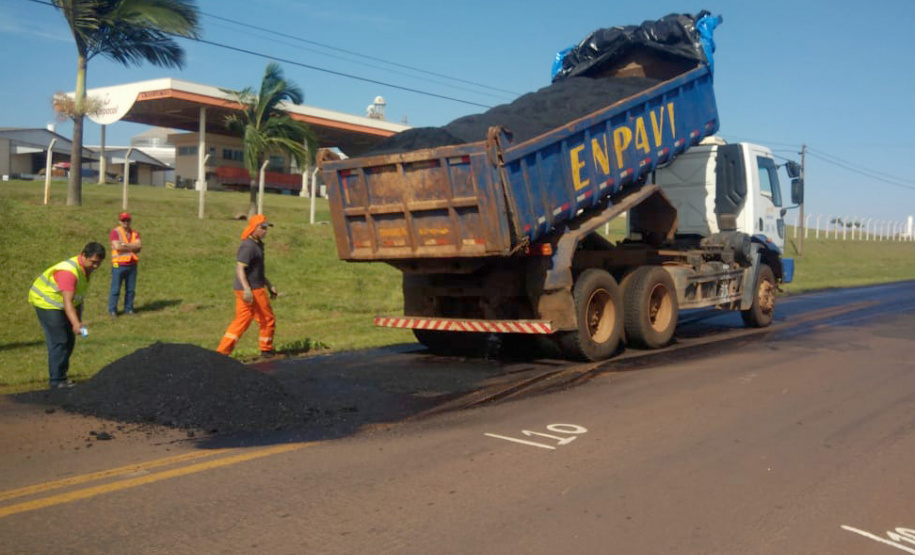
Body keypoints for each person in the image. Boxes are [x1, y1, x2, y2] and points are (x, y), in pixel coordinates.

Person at [29, 242, 106, 389]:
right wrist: (76, 323)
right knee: (59, 340)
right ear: (84, 256)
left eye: (99, 263)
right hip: (47, 303)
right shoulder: (68, 272)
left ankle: (62, 377)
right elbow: (67, 301)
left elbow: (76, 298)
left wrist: (77, 320)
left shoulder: (84, 269)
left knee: (69, 340)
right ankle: (56, 381)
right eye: (93, 262)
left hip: (66, 304)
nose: (96, 266)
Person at [216, 214, 278, 356]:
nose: (265, 231)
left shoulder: (257, 245)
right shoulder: (248, 246)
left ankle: (222, 352)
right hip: (253, 290)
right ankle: (266, 349)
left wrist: (269, 285)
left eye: (267, 228)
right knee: (267, 319)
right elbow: (240, 268)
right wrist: (247, 289)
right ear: (254, 228)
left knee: (241, 321)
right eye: (262, 228)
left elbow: (256, 270)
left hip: (251, 287)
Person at [108, 212, 142, 316]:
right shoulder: (115, 232)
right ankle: (112, 310)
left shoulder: (135, 233)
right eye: (123, 220)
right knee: (115, 289)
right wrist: (132, 246)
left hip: (132, 265)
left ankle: (129, 309)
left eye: (128, 220)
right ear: (120, 221)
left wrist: (124, 245)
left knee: (130, 290)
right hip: (119, 264)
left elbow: (139, 247)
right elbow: (117, 247)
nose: (126, 223)